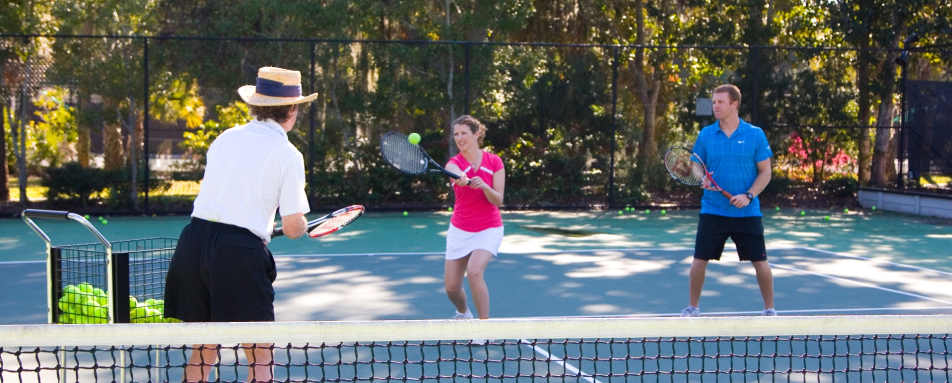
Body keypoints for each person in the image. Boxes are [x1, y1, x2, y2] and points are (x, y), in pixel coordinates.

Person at [164, 66, 316, 382]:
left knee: (204, 348)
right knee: (261, 354)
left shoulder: (226, 138)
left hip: (192, 244)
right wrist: (301, 226)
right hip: (238, 254)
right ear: (291, 110)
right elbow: (292, 227)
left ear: (256, 105)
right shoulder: (288, 153)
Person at [680, 84, 776, 317]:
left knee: (760, 262)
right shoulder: (706, 135)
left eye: (720, 102)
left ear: (734, 104)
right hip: (713, 210)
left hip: (747, 212)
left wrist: (749, 195)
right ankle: (693, 307)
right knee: (699, 261)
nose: (715, 106)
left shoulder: (755, 134)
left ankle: (769, 309)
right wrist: (702, 178)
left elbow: (765, 172)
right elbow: (696, 166)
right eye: (714, 102)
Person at [442, 115, 505, 320]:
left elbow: (498, 200)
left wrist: (485, 186)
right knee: (452, 288)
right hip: (460, 229)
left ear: (476, 134)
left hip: (489, 228)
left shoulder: (494, 162)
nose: (459, 138)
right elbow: (453, 170)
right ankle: (463, 312)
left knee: (475, 271)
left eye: (464, 133)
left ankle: (484, 327)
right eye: (456, 134)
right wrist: (460, 177)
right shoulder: (453, 163)